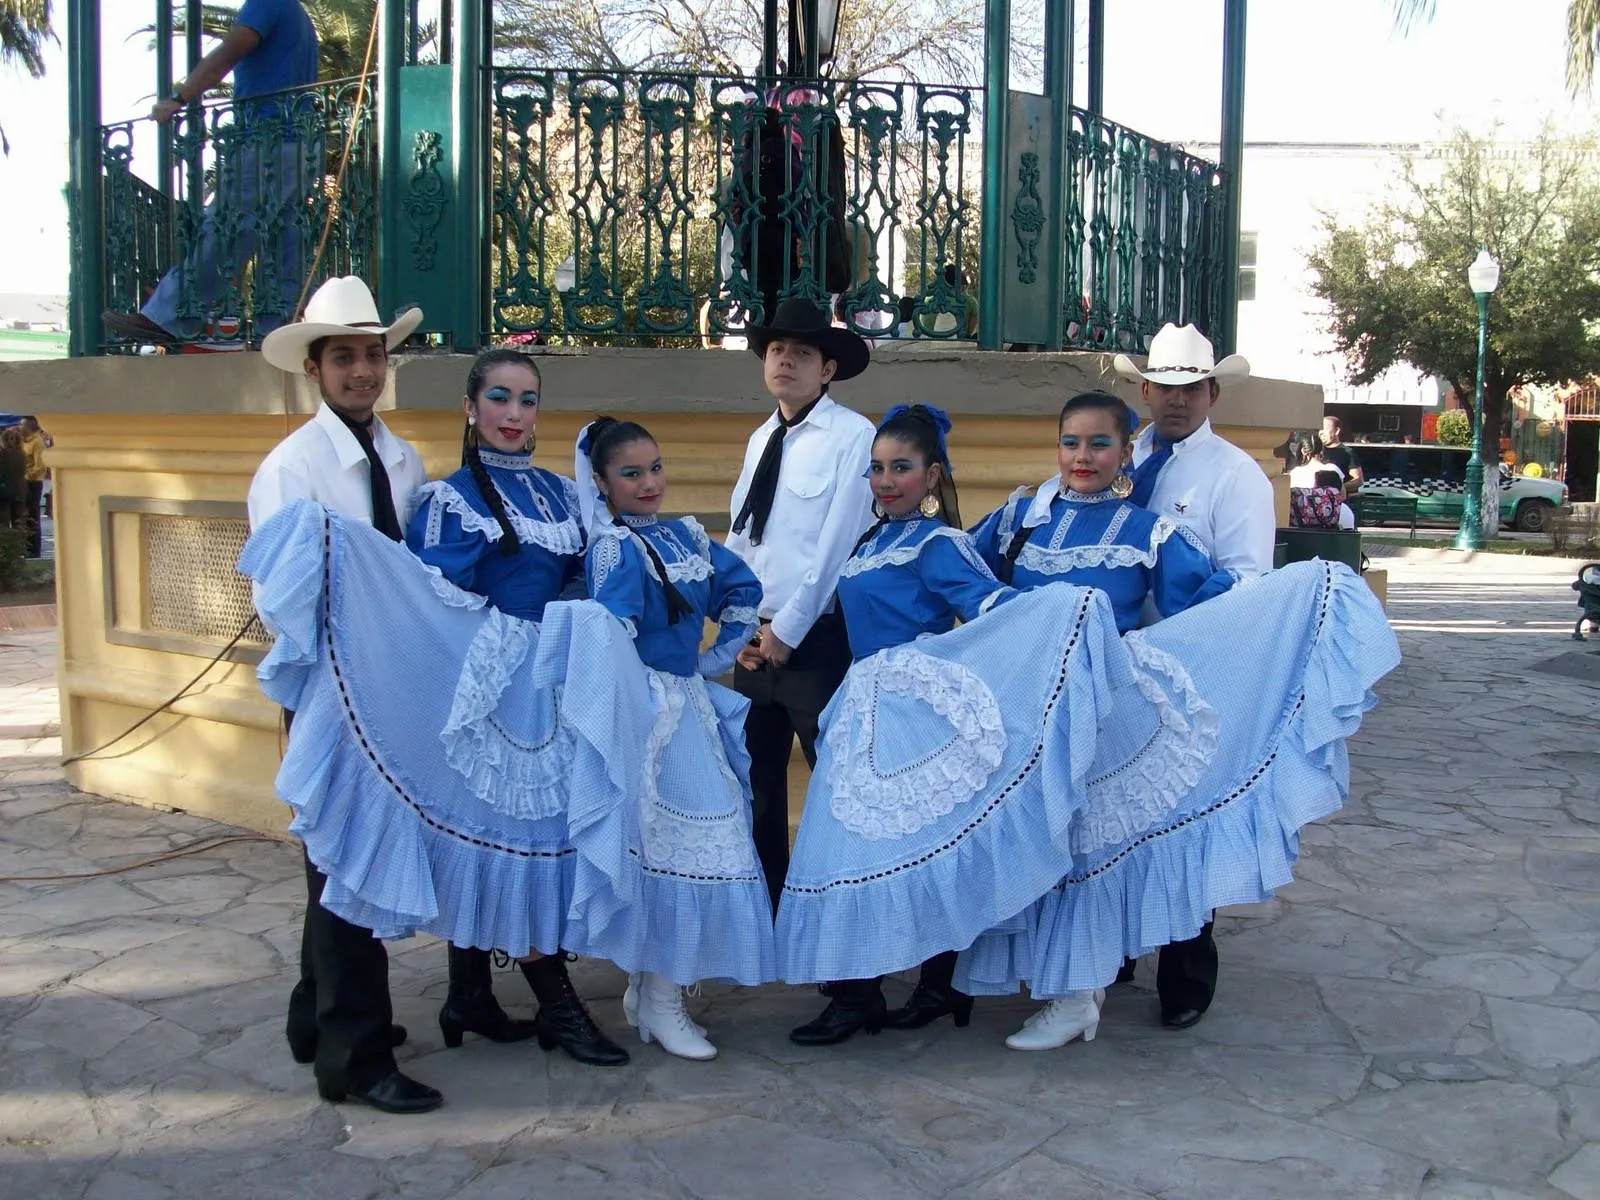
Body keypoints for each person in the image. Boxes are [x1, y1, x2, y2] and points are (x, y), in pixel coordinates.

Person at [952, 388, 1400, 1050]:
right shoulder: (1024, 514)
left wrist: (1290, 604)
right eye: (1070, 442)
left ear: (1125, 451)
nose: (1083, 456)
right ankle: (1060, 979)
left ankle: (1075, 998)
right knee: (1032, 843)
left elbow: (1215, 601)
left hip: (1101, 715)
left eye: (1100, 442)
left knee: (1081, 850)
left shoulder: (1149, 531)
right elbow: (960, 570)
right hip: (1024, 711)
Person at [243, 275, 439, 1114]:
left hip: (387, 684)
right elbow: (284, 593)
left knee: (338, 859)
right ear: (315, 370)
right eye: (346, 358)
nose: (363, 371)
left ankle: (314, 1017)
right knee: (344, 861)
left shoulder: (402, 457)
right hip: (332, 686)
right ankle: (353, 1055)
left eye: (373, 355)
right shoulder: (293, 467)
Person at [402, 348, 629, 1069]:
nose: (513, 414)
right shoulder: (451, 501)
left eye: (527, 400)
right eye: (499, 398)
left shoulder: (565, 495)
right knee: (513, 836)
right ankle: (558, 1007)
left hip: (558, 682)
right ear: (471, 408)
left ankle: (468, 992)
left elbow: (587, 578)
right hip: (500, 693)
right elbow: (434, 605)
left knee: (523, 835)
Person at [535, 416, 776, 1060]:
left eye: (656, 468)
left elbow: (742, 586)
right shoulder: (613, 547)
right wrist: (647, 686)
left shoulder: (688, 535)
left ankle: (654, 993)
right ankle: (661, 1000)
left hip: (687, 705)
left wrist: (712, 656)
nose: (649, 483)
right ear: (603, 484)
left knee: (705, 846)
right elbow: (610, 631)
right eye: (630, 473)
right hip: (646, 715)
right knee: (675, 852)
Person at [1113, 321, 1275, 1030]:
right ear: (1144, 389)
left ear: (1212, 393)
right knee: (1111, 809)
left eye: (1191, 389)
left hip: (1188, 666)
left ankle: (1185, 974)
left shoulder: (1233, 474)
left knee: (1183, 818)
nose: (1176, 401)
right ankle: (1109, 948)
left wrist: (1188, 630)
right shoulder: (1121, 457)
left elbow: (1248, 579)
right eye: (1164, 388)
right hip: (1118, 664)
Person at [725, 297, 876, 911]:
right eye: (777, 351)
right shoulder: (762, 436)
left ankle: (837, 908)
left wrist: (785, 630)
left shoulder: (852, 436)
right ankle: (769, 908)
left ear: (827, 370)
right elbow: (741, 538)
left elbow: (837, 547)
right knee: (754, 780)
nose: (786, 361)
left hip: (813, 640)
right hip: (755, 642)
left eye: (802, 353)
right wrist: (735, 625)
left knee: (833, 780)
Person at [103, 0, 319, 344]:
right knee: (282, 239)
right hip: (300, 142)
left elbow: (231, 50)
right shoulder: (296, 13)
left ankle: (170, 315)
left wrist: (179, 97)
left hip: (266, 138)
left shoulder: (266, 3)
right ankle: (277, 332)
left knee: (226, 228)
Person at [19, 417, 47, 558]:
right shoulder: (23, 441)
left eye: (22, 424)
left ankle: (34, 551)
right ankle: (26, 547)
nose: (19, 427)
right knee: (24, 515)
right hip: (23, 482)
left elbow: (40, 466)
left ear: (30, 426)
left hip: (33, 483)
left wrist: (26, 476)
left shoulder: (38, 442)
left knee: (33, 514)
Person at [1321, 415, 1364, 496]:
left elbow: (1358, 480)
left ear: (1337, 431)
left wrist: (1340, 488)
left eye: (1325, 428)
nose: (1322, 432)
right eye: (1320, 429)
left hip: (1341, 501)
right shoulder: (1317, 451)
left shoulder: (1347, 452)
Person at [0, 428, 28, 536]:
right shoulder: (22, 454)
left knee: (4, 523)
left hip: (6, 491)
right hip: (20, 490)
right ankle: (21, 548)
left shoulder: (3, 454)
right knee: (19, 523)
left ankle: (9, 550)